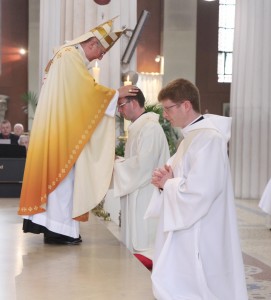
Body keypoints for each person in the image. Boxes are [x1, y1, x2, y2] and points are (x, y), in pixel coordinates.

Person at [18, 17, 138, 245]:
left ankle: (55, 228)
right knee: (63, 180)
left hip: (58, 126)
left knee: (62, 180)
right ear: (92, 43)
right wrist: (116, 93)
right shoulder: (70, 57)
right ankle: (59, 230)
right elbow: (86, 92)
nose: (100, 57)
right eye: (101, 51)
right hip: (60, 132)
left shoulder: (65, 57)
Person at [145, 78, 248, 299]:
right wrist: (164, 182)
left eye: (168, 108)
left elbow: (202, 191)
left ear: (186, 105)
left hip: (203, 225)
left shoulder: (209, 139)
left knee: (204, 283)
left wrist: (169, 184)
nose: (165, 115)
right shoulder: (190, 139)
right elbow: (177, 177)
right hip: (188, 224)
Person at [113, 90, 170, 259]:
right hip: (138, 192)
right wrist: (120, 159)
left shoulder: (150, 128)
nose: (119, 111)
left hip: (146, 195)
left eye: (121, 105)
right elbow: (138, 161)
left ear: (134, 103)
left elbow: (144, 167)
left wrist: (116, 163)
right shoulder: (140, 127)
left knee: (145, 248)